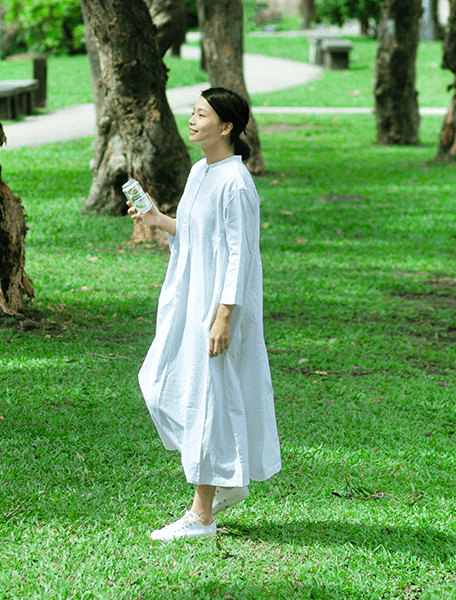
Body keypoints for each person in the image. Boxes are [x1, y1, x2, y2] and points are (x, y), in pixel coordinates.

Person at [128, 87, 282, 542]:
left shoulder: (236, 182)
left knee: (208, 400)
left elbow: (241, 255)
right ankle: (226, 480)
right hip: (192, 300)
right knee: (158, 383)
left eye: (201, 114)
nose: (192, 120)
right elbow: (196, 235)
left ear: (227, 127)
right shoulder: (201, 171)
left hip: (219, 308)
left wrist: (224, 315)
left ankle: (203, 513)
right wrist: (158, 218)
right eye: (192, 112)